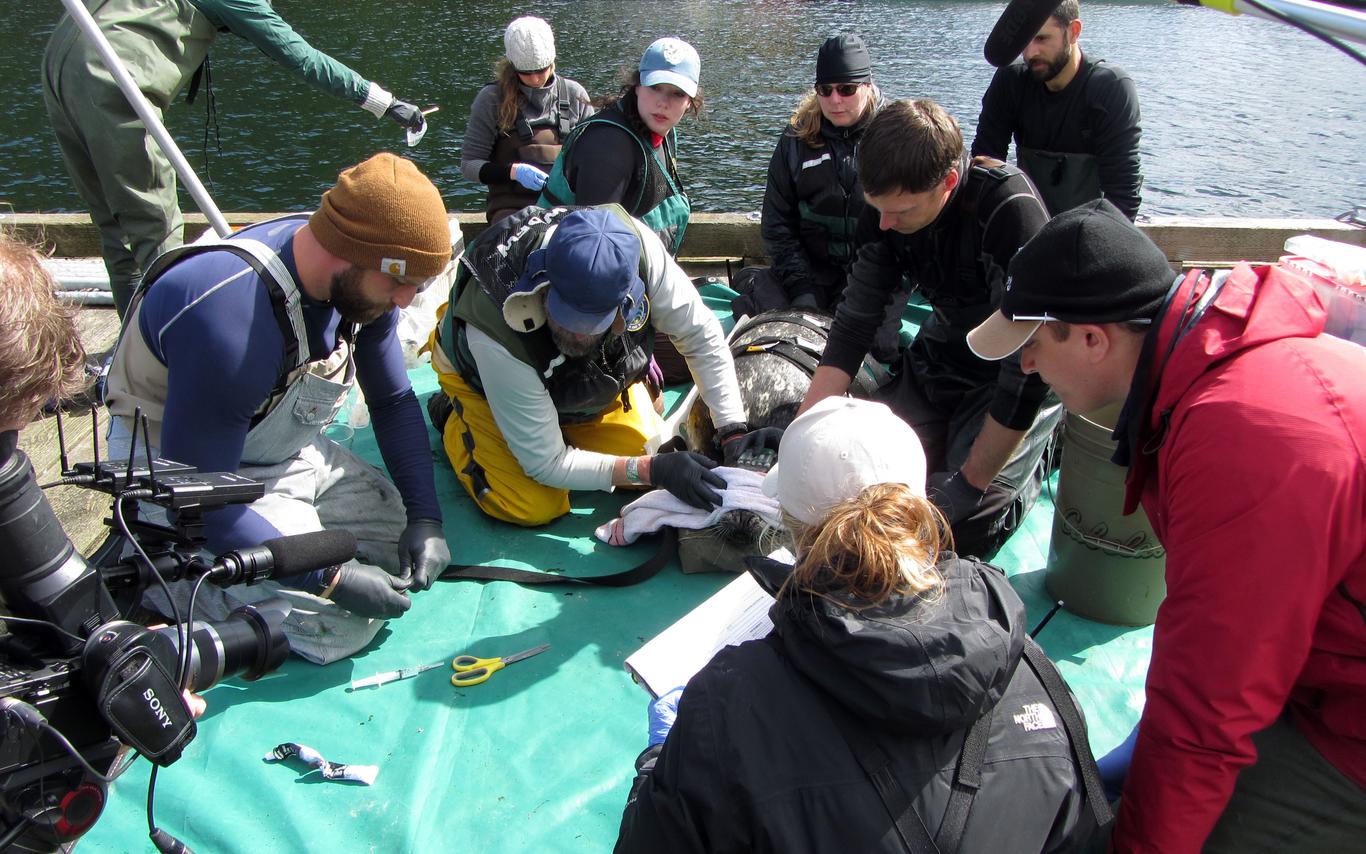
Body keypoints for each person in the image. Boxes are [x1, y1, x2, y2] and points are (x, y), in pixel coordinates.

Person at [966, 199, 1366, 852]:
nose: (1028, 367)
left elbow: (1205, 717)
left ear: (1094, 339)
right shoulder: (1214, 369)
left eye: (1033, 346)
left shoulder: (1243, 437)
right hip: (1321, 671)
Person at [615, 396, 1104, 853]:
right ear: (915, 511)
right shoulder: (1033, 671)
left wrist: (660, 761)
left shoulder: (727, 706)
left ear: (790, 523)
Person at [102, 153, 453, 666]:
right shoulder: (230, 321)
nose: (404, 302)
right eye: (397, 283)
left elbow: (393, 400)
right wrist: (329, 578)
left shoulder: (361, 283)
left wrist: (426, 517)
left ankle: (292, 544)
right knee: (342, 624)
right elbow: (204, 500)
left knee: (394, 537)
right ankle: (170, 585)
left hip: (276, 449)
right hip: (180, 472)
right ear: (347, 252)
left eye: (415, 287)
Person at [42, 0, 428, 320]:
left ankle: (132, 335)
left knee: (114, 226)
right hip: (115, 77)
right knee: (154, 230)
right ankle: (170, 347)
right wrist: (384, 102)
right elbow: (301, 58)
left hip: (62, 65)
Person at [798, 98, 1057, 559]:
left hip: (1018, 364)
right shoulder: (884, 208)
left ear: (948, 183)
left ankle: (1045, 450)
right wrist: (802, 435)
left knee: (964, 522)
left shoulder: (1008, 211)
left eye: (901, 212)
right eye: (876, 208)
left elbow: (1027, 367)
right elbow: (855, 325)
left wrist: (972, 481)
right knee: (860, 474)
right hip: (944, 348)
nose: (884, 223)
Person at [425, 205, 753, 526]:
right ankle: (454, 415)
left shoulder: (643, 254)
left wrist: (732, 429)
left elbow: (702, 336)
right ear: (541, 281)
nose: (577, 333)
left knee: (648, 448)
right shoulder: (494, 325)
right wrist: (651, 469)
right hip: (484, 376)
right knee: (531, 504)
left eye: (594, 322)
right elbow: (546, 464)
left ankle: (562, 422)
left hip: (572, 379)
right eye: (565, 315)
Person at [738, 34, 883, 317]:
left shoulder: (895, 134)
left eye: (847, 89)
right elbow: (777, 224)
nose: (835, 100)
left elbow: (913, 230)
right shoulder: (796, 138)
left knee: (879, 344)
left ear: (868, 86)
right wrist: (801, 289)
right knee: (781, 318)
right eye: (825, 90)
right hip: (810, 271)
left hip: (876, 274)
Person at [971, 0, 1142, 219]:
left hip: (1090, 232)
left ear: (1073, 31)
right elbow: (984, 167)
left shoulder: (1111, 87)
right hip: (1030, 228)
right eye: (1025, 40)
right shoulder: (1011, 81)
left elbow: (1123, 197)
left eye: (1042, 38)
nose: (1030, 52)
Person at [539, 38, 701, 255]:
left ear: (690, 101)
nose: (663, 103)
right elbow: (592, 252)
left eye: (678, 93)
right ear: (637, 87)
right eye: (655, 87)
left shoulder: (665, 133)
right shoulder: (608, 146)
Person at [460, 16, 593, 223]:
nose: (535, 79)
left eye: (541, 70)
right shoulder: (491, 99)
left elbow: (593, 160)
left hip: (566, 208)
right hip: (511, 212)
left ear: (553, 60)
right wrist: (512, 172)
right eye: (526, 73)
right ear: (513, 66)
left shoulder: (576, 95)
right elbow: (469, 165)